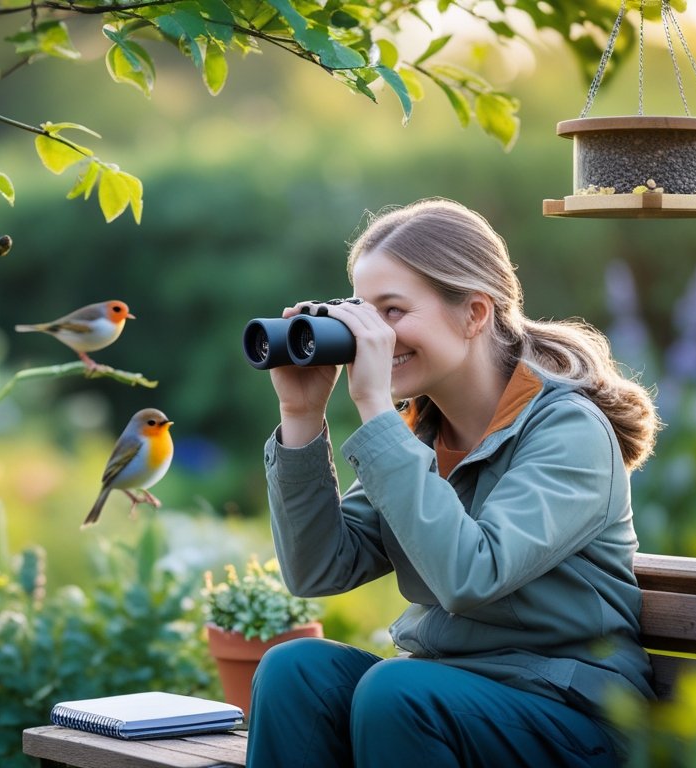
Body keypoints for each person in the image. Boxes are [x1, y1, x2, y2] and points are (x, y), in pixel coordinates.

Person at [247, 198, 659, 767]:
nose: (372, 337)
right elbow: (318, 568)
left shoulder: (570, 431)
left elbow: (471, 574)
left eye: (392, 311)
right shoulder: (422, 434)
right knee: (295, 671)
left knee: (398, 693)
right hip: (446, 696)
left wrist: (374, 406)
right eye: (361, 314)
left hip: (574, 717)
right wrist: (301, 415)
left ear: (474, 313)